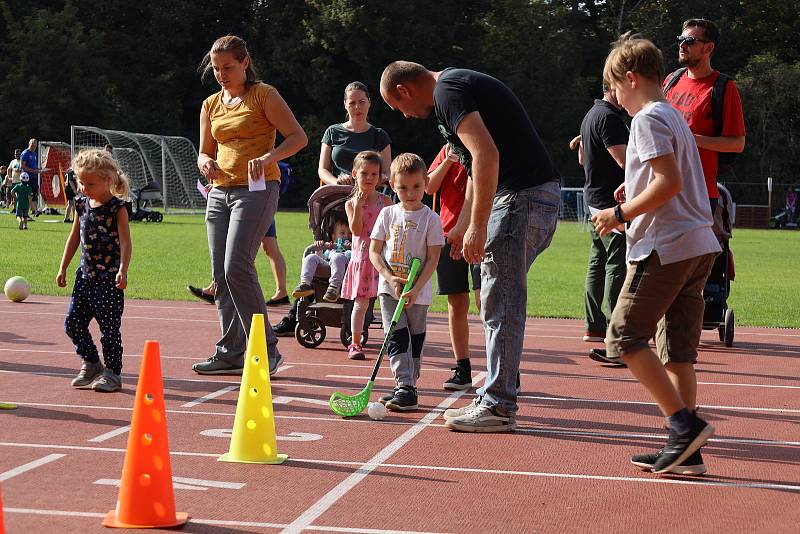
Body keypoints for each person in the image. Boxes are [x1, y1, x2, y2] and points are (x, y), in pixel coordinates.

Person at [380, 61, 560, 432]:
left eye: (399, 108)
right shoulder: (453, 92)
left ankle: (498, 404)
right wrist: (463, 228)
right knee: (498, 299)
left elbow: (487, 156)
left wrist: (478, 226)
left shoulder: (449, 91)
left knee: (501, 302)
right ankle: (496, 394)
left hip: (520, 199)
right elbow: (477, 166)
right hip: (523, 198)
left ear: (404, 90)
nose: (406, 116)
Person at [592, 34, 721, 475]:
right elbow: (670, 176)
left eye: (615, 89)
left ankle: (683, 426)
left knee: (624, 338)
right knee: (678, 354)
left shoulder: (646, 118)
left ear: (630, 78)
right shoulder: (673, 114)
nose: (614, 99)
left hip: (665, 247)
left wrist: (618, 212)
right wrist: (636, 189)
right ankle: (688, 453)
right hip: (698, 243)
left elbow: (668, 184)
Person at [191, 35, 307, 375]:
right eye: (215, 68)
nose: (221, 74)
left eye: (228, 67)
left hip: (256, 190)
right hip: (218, 192)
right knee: (220, 274)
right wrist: (204, 163)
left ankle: (268, 350)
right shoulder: (210, 104)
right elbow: (204, 150)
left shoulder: (264, 95)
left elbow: (298, 137)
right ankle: (230, 351)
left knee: (236, 268)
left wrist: (269, 156)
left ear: (245, 62)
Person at [370, 153, 443, 410]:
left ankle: (409, 385)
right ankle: (404, 385)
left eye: (416, 187)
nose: (410, 193)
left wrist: (416, 287)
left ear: (425, 182)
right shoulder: (387, 214)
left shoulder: (431, 219)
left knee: (415, 339)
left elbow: (433, 258)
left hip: (418, 293)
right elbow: (375, 252)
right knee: (396, 336)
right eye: (403, 187)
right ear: (393, 185)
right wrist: (390, 278)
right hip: (389, 290)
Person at [56, 148, 132, 392]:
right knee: (73, 323)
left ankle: (112, 372)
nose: (84, 188)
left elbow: (126, 242)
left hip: (108, 279)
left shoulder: (117, 208)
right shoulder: (80, 203)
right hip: (85, 277)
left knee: (109, 328)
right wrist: (63, 268)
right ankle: (91, 362)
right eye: (81, 182)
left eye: (90, 183)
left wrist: (123, 269)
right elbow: (73, 238)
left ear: (108, 181)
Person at [571, 84, 629, 363]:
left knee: (598, 261)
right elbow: (626, 162)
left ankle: (594, 325)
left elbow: (583, 158)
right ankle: (617, 332)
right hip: (609, 202)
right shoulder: (609, 118)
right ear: (614, 86)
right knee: (617, 263)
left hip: (594, 197)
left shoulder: (592, 114)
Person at [664, 19, 745, 214]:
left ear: (708, 48)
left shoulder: (723, 88)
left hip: (698, 193)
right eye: (680, 39)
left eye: (690, 41)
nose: (682, 45)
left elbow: (737, 143)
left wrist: (690, 139)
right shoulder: (670, 81)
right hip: (663, 188)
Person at [426, 143, 481, 390]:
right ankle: (462, 367)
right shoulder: (448, 147)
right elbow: (428, 186)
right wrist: (448, 161)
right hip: (448, 233)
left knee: (486, 301)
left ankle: (506, 370)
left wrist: (467, 225)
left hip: (482, 232)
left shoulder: (485, 145)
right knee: (456, 303)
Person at [341, 151, 393, 359]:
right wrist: (359, 207)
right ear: (355, 174)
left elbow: (391, 228)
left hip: (382, 258)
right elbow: (355, 230)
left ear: (380, 176)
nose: (369, 178)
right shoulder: (350, 203)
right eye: (365, 173)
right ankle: (355, 342)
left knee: (386, 301)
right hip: (362, 259)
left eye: (374, 174)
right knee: (361, 303)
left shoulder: (386, 201)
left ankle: (391, 340)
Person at [318, 81, 392, 186]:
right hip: (338, 196)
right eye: (352, 103)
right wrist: (337, 182)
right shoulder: (332, 132)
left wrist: (368, 182)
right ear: (345, 105)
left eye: (362, 101)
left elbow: (387, 172)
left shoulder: (380, 135)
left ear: (369, 103)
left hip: (371, 196)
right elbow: (322, 170)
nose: (357, 107)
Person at [292, 215, 352, 303]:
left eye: (349, 234)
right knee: (311, 257)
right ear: (334, 236)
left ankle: (334, 288)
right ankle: (305, 283)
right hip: (326, 266)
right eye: (342, 233)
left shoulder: (352, 249)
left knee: (337, 257)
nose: (346, 236)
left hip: (344, 268)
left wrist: (351, 248)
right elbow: (320, 259)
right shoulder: (329, 249)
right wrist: (319, 247)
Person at [20, 138, 44, 217]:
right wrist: (33, 171)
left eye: (35, 146)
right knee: (28, 195)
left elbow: (34, 166)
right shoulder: (25, 153)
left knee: (34, 193)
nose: (34, 147)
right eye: (32, 145)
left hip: (33, 177)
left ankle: (34, 210)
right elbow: (22, 166)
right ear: (29, 144)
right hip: (26, 177)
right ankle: (27, 213)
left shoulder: (34, 154)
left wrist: (39, 169)